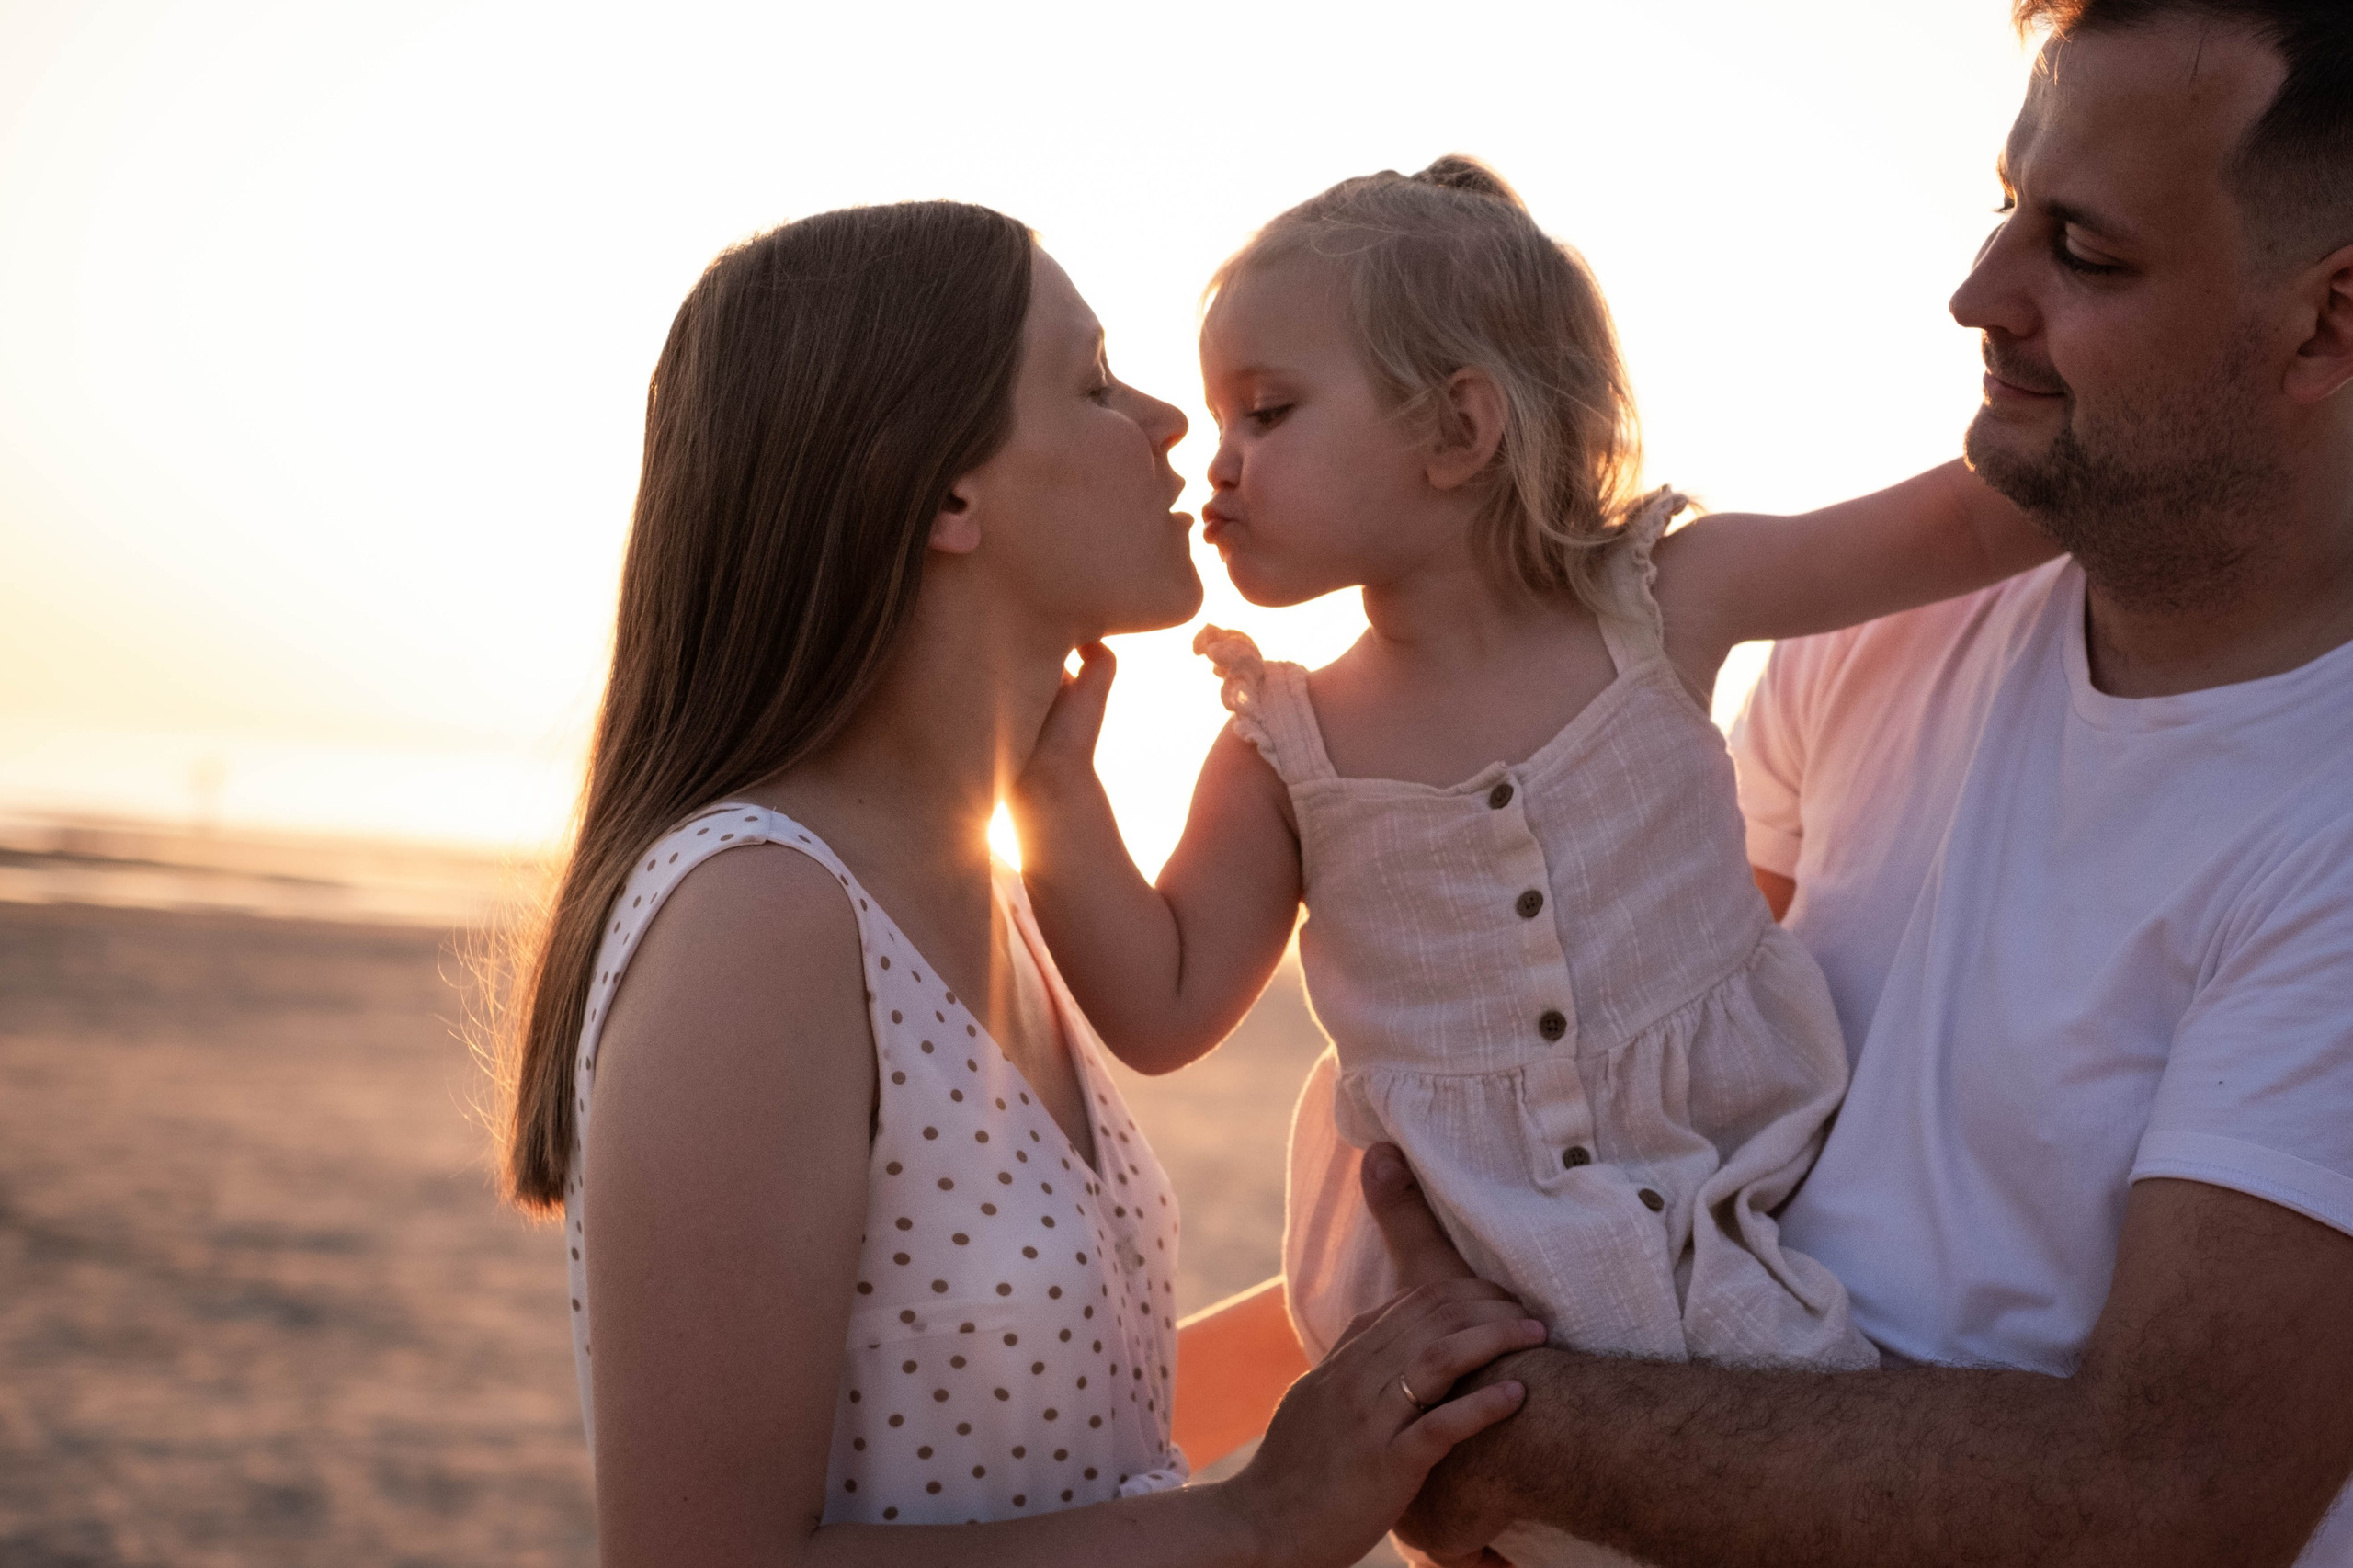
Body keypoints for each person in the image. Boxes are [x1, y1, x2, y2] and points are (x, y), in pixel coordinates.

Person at [1361, 4, 2353, 1564]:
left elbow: (2170, 1495)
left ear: (2329, 321)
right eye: (2004, 202)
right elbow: (1651, 1100)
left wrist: (1507, 1431)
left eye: (2084, 252)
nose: (1979, 292)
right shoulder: (1873, 626)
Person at [1009, 157, 2049, 1562]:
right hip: (1475, 1265)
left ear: (1459, 427)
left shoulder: (1665, 601)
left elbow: (1974, 517)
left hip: (1727, 1210)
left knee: (1812, 1479)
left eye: (1268, 410)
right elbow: (1164, 1001)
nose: (1217, 459)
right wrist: (1059, 794)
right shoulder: (1285, 748)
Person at [492, 201, 1546, 1568]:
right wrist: (1260, 1518)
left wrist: (1385, 1365)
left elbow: (1043, 1415)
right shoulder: (758, 917)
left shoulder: (976, 891)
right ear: (943, 495)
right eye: (1096, 383)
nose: (1172, 422)